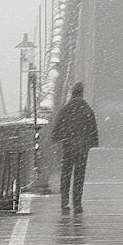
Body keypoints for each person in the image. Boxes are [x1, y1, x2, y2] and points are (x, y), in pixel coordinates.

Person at [51, 80, 99, 213]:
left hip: (68, 146)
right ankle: (77, 203)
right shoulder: (87, 109)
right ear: (82, 93)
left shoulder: (66, 109)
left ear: (72, 93)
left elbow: (58, 126)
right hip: (82, 148)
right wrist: (91, 143)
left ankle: (64, 202)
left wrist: (58, 139)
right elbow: (92, 128)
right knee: (79, 175)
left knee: (66, 174)